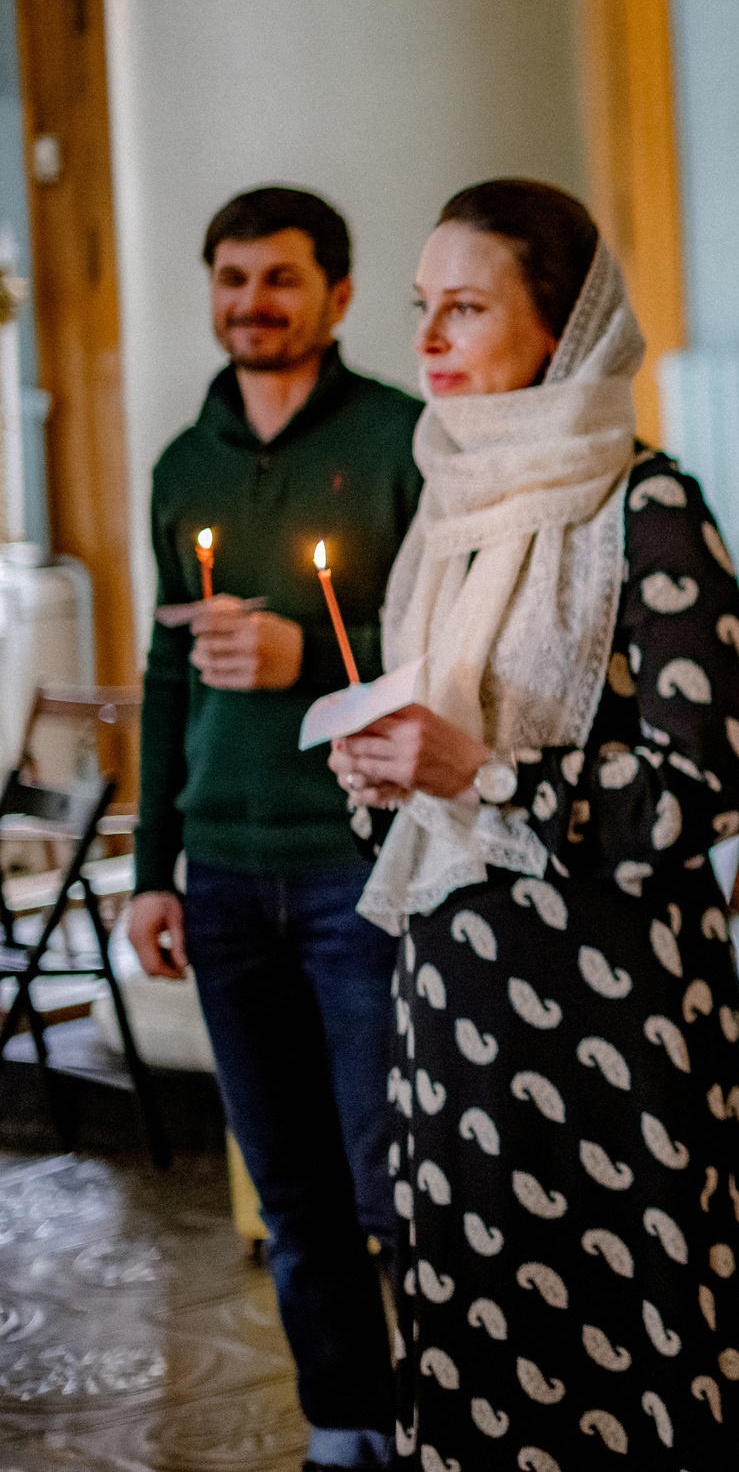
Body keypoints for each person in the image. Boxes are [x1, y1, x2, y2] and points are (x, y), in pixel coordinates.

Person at [327, 180, 739, 1469]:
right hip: (454, 1008)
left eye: (467, 307)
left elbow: (703, 789)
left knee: (622, 1350)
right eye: (423, 309)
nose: (430, 341)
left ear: (564, 324)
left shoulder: (650, 507)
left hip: (613, 1019)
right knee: (474, 1330)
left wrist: (485, 773)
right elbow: (437, 790)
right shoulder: (445, 523)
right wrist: (384, 775)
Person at [127, 185, 423, 1472]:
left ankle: (450, 1411)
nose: (252, 302)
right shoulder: (181, 465)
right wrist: (153, 870)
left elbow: (438, 659)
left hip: (354, 862)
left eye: (281, 278)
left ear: (339, 295)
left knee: (389, 1180)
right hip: (225, 874)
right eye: (232, 277)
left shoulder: (403, 440)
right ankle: (345, 1424)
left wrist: (307, 654)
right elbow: (162, 675)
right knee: (292, 1189)